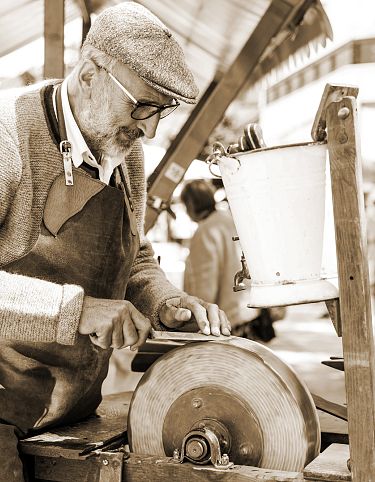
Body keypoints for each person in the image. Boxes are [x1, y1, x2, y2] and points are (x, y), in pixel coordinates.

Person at [0, 3, 231, 480]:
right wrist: (78, 310)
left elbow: (135, 254)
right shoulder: (8, 135)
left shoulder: (126, 154)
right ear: (89, 75)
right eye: (142, 106)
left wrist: (165, 300)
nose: (148, 129)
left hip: (74, 410)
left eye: (161, 112)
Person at [181, 179, 260, 333]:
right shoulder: (230, 219)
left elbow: (204, 285)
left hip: (225, 321)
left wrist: (196, 321)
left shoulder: (206, 230)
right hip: (247, 313)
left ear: (190, 204)